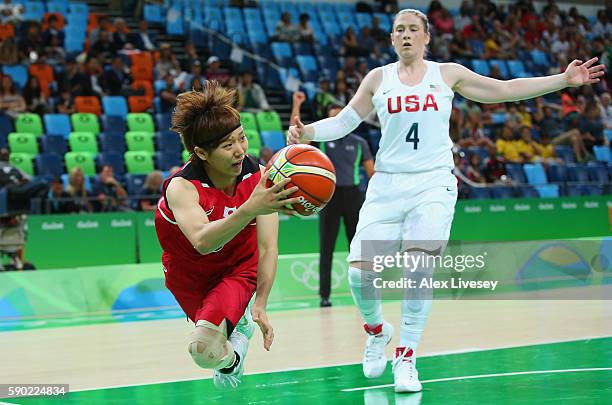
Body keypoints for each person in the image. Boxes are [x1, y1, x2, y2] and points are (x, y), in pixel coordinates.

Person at [287, 8, 605, 393]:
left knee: (418, 269)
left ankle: (406, 355)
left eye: (413, 30)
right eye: (399, 30)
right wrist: (309, 131)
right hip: (386, 186)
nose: (405, 35)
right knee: (358, 273)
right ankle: (376, 331)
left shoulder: (447, 74)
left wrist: (563, 80)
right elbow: (346, 121)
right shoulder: (378, 78)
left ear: (426, 38)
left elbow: (503, 89)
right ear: (392, 39)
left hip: (433, 184)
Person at [154, 81, 301, 389]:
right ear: (201, 153)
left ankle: (239, 335)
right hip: (189, 276)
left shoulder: (258, 176)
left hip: (237, 269)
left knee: (200, 348)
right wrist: (249, 208)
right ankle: (234, 351)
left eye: (242, 138)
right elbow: (204, 242)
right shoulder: (181, 187)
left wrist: (261, 301)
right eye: (227, 145)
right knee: (211, 353)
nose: (239, 151)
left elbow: (268, 248)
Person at [291, 92, 374, 307]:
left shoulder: (360, 143)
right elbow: (297, 137)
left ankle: (365, 293)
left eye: (339, 120)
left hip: (354, 196)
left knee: (358, 248)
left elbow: (372, 173)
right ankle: (324, 296)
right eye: (332, 120)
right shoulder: (321, 143)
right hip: (329, 198)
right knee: (326, 247)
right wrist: (296, 104)